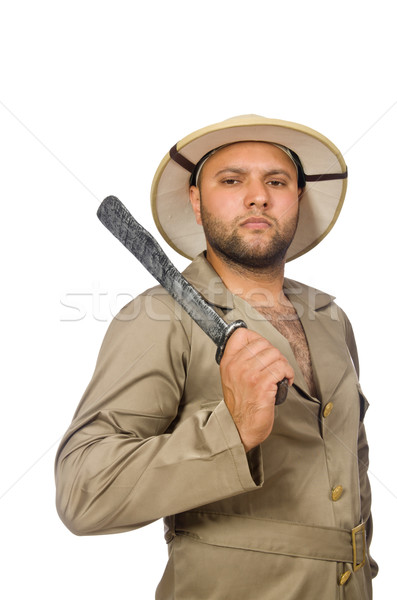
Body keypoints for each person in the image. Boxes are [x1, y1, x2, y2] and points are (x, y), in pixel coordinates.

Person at [55, 115, 378, 599]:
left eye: (277, 181)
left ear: (297, 198)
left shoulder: (332, 319)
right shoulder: (156, 317)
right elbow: (84, 492)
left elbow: (354, 473)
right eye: (231, 180)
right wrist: (234, 429)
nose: (258, 196)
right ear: (196, 201)